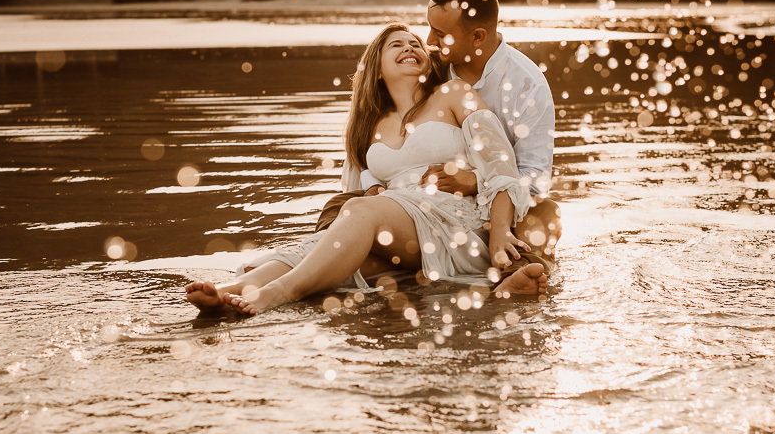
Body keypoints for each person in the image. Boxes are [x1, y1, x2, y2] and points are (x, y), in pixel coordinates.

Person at [185, 23, 544, 317]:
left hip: (453, 217)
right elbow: (357, 189)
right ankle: (232, 290)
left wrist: (498, 227)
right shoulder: (369, 124)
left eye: (415, 44)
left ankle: (278, 293)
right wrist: (373, 195)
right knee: (322, 249)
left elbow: (501, 163)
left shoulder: (453, 93)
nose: (410, 47)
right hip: (399, 224)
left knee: (359, 211)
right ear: (377, 67)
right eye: (396, 45)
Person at [320, 0, 560, 297]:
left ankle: (510, 277)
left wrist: (472, 182)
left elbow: (534, 178)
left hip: (496, 201)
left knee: (543, 217)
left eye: (440, 33)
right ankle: (328, 254)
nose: (429, 40)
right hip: (418, 199)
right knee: (341, 205)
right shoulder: (430, 67)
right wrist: (373, 183)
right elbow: (385, 133)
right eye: (429, 28)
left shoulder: (528, 86)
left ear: (477, 36)